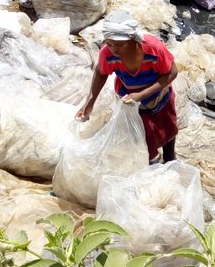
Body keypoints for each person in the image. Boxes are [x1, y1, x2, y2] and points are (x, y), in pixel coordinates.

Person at [77, 10, 179, 163]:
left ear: (133, 39)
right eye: (109, 43)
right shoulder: (108, 54)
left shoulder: (153, 48)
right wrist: (90, 101)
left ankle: (170, 157)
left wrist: (142, 94)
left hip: (159, 96)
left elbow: (171, 73)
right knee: (144, 137)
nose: (114, 49)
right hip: (131, 102)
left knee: (168, 128)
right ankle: (154, 166)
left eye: (119, 45)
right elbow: (101, 72)